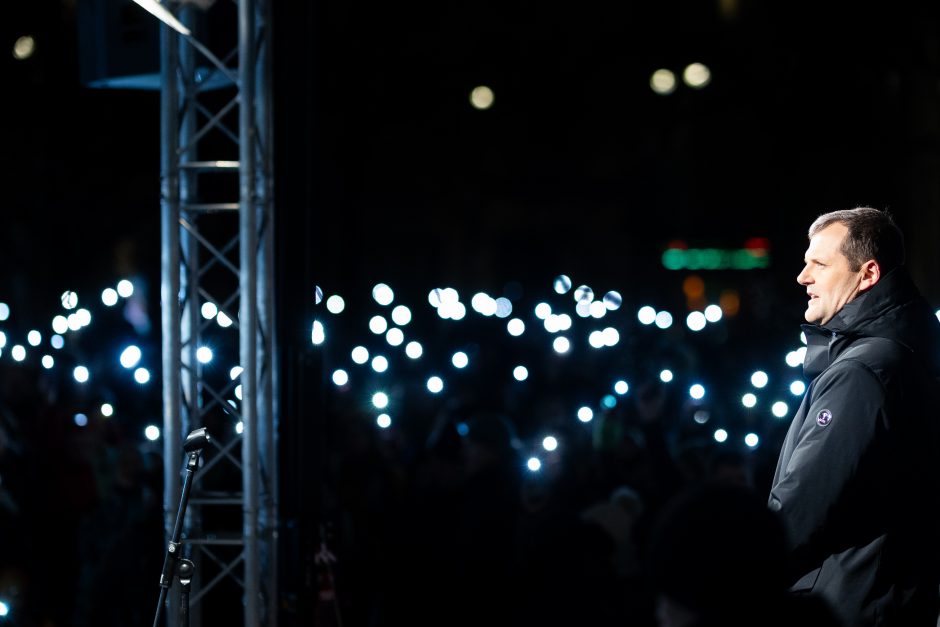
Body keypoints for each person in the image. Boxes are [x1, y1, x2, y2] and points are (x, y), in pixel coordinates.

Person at [769, 207, 940, 626]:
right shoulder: (898, 353)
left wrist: (739, 575)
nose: (803, 277)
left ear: (867, 275)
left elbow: (803, 504)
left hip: (845, 605)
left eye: (820, 265)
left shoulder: (863, 371)